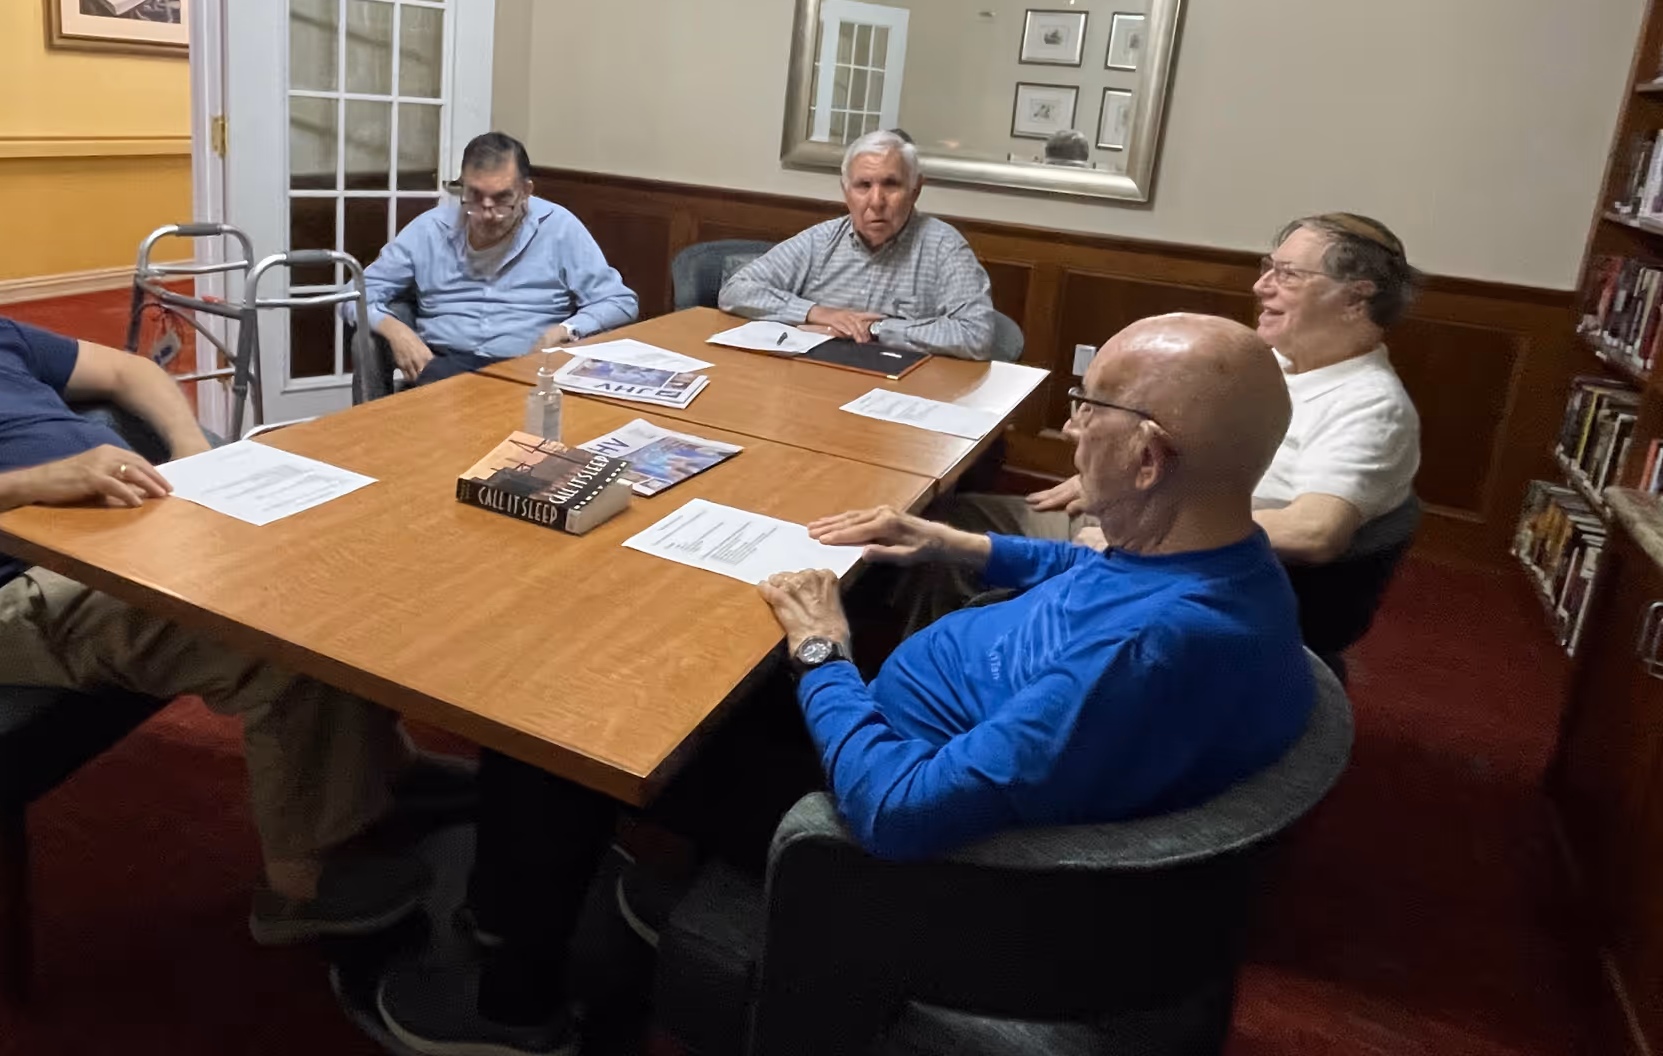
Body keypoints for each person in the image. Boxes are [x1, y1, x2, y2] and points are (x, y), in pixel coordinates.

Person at [353, 313, 1315, 1056]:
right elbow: (1098, 577)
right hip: (918, 740)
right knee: (682, 660)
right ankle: (532, 883)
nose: (1069, 430)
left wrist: (824, 653)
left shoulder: (1136, 659)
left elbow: (895, 812)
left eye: (1090, 410)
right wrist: (959, 543)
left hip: (883, 851)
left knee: (564, 718)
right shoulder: (1225, 562)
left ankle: (516, 1003)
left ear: (1148, 457)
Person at [0, 179, 472, 948]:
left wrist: (198, 456)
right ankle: (306, 884)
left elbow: (135, 373)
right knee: (280, 632)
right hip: (19, 587)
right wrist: (33, 485)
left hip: (149, 527)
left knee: (360, 557)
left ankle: (384, 772)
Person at [1027, 213, 1421, 564]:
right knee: (979, 522)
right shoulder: (1275, 366)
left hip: (1174, 564)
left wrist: (1151, 532)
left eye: (1288, 275)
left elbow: (1314, 531)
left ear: (1356, 298)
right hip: (1140, 521)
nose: (1260, 286)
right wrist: (1114, 478)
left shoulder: (1371, 406)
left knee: (972, 543)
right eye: (1268, 268)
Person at [361, 133, 638, 385]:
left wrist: (567, 329)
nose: (487, 213)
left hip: (529, 365)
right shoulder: (429, 229)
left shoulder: (559, 227)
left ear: (526, 191)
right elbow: (355, 295)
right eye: (475, 196)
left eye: (502, 198)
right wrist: (394, 329)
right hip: (446, 366)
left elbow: (619, 301)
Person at [718, 128, 996, 359]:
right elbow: (736, 289)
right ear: (845, 191)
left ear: (915, 190)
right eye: (864, 185)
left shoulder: (944, 247)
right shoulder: (821, 240)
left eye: (891, 184)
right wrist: (817, 313)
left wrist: (876, 329)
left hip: (902, 390)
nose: (876, 202)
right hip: (818, 379)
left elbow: (976, 334)